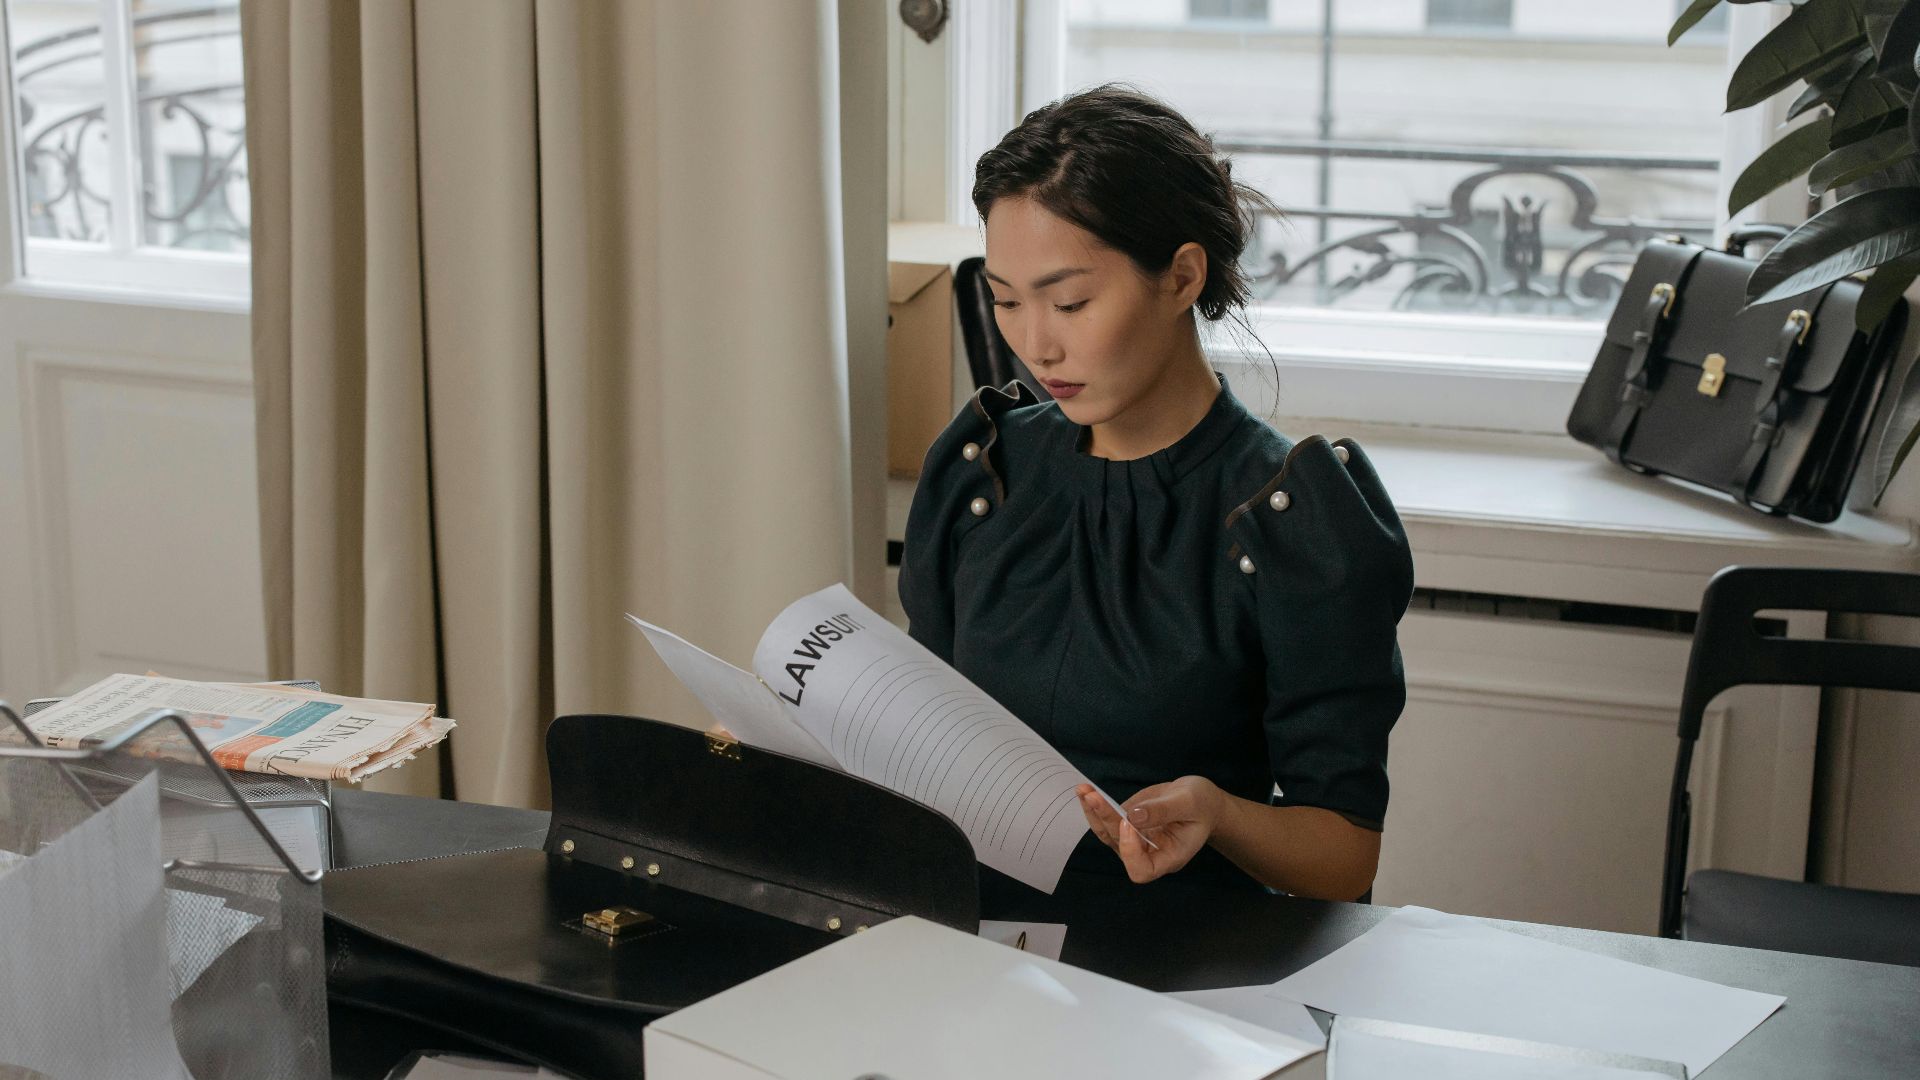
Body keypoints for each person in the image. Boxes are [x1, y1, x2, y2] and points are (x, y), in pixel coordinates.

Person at [898, 86, 1415, 911]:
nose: (1035, 343)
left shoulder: (1292, 520)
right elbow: (925, 735)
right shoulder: (983, 471)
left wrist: (1219, 814)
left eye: (1070, 302)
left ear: (1181, 277)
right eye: (1005, 300)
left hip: (1185, 969)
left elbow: (1344, 859)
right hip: (968, 942)